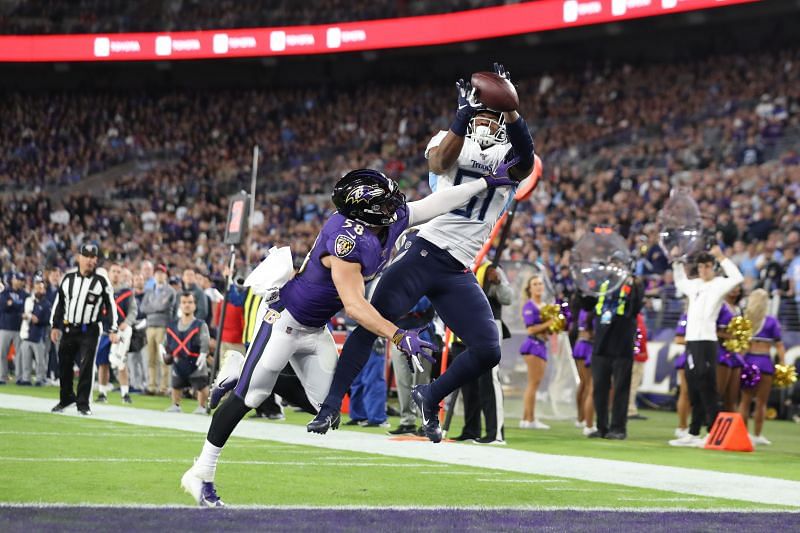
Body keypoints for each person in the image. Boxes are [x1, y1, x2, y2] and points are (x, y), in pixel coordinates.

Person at [181, 167, 518, 506]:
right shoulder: (345, 241)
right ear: (364, 211)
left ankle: (242, 370)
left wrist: (484, 183)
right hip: (285, 319)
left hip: (316, 328)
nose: (394, 206)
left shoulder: (389, 218)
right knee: (250, 396)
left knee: (326, 409)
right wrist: (399, 335)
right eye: (384, 203)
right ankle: (201, 473)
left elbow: (437, 202)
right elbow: (355, 307)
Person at [308, 62, 535, 442]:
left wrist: (511, 108)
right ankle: (330, 407)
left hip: (458, 267)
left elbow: (526, 161)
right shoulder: (449, 138)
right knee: (371, 321)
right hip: (425, 250)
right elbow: (439, 162)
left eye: (491, 115)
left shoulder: (508, 156)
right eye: (480, 113)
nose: (485, 121)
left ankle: (429, 395)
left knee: (487, 349)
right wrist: (461, 118)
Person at [669, 246, 743, 447]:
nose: (703, 270)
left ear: (713, 267)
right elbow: (679, 281)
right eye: (701, 267)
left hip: (708, 341)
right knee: (693, 386)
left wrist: (722, 258)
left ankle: (713, 431)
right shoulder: (694, 285)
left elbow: (737, 278)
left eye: (707, 266)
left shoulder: (719, 284)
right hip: (691, 341)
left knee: (708, 386)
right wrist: (676, 262)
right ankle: (693, 432)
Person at [50, 244, 119, 415]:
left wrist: (113, 328)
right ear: (79, 257)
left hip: (90, 329)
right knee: (64, 365)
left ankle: (83, 404)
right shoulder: (67, 279)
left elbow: (111, 305)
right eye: (86, 256)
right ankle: (66, 399)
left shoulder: (101, 281)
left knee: (86, 366)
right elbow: (59, 303)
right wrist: (55, 325)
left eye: (93, 257)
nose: (90, 260)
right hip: (68, 328)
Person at [457, 261, 512, 444]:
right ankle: (471, 429)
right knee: (470, 381)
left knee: (489, 378)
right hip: (467, 325)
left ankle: (495, 432)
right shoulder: (462, 261)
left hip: (489, 324)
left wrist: (497, 282)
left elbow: (508, 297)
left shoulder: (491, 267)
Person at [588, 276, 644, 440]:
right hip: (601, 345)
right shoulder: (602, 284)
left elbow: (636, 308)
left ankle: (619, 428)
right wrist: (583, 287)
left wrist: (635, 287)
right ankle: (602, 427)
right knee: (599, 389)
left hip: (622, 346)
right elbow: (587, 305)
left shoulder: (631, 285)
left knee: (620, 389)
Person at [739, 288, 785, 445]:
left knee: (744, 401)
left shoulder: (746, 320)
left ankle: (743, 434)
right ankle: (757, 435)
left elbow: (742, 346)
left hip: (748, 361)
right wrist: (783, 364)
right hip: (764, 362)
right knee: (761, 402)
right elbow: (779, 345)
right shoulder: (771, 321)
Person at [387, 295, 435, 436]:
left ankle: (427, 422)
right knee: (403, 382)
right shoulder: (400, 283)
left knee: (421, 384)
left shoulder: (427, 280)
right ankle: (407, 422)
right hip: (398, 334)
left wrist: (400, 307)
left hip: (421, 335)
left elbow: (421, 305)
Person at [95, 263, 137, 403]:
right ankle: (102, 392)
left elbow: (133, 311)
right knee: (103, 363)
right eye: (114, 271)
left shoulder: (127, 292)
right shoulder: (102, 290)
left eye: (119, 272)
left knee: (121, 362)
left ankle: (125, 393)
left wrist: (127, 322)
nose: (116, 274)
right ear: (109, 272)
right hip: (105, 332)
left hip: (121, 331)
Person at [164, 292, 211, 414]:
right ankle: (175, 404)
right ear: (180, 305)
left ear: (195, 305)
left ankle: (202, 406)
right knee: (176, 383)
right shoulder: (172, 325)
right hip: (179, 360)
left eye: (190, 302)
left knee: (201, 384)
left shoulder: (200, 324)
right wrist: (164, 352)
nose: (187, 305)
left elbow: (205, 340)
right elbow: (166, 342)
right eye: (184, 302)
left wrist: (203, 354)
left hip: (195, 360)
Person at [519, 273, 553, 430]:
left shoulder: (545, 306)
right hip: (533, 345)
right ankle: (530, 419)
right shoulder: (529, 306)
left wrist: (553, 326)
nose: (539, 286)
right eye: (535, 284)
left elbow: (546, 329)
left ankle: (526, 419)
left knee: (535, 383)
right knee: (533, 384)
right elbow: (531, 329)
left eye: (540, 283)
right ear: (530, 288)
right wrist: (550, 323)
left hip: (542, 344)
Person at [140, 264, 176, 395]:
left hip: (163, 326)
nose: (159, 276)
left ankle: (164, 387)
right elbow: (143, 308)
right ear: (154, 276)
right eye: (157, 273)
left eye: (162, 273)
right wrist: (157, 306)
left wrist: (154, 307)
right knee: (151, 358)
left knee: (163, 358)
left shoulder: (170, 291)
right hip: (150, 327)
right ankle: (152, 386)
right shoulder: (150, 291)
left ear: (165, 275)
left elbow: (165, 306)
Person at [18, 273, 51, 386]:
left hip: (38, 335)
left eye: (41, 288)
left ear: (44, 290)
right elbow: (21, 313)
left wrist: (38, 320)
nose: (38, 290)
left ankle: (40, 379)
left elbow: (47, 321)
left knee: (40, 361)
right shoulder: (28, 300)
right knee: (26, 360)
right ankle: (26, 379)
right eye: (37, 288)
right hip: (26, 333)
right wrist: (24, 316)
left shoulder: (46, 304)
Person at [716, 285, 743, 412]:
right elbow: (711, 329)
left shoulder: (738, 309)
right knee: (717, 393)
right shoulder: (719, 305)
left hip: (734, 354)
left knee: (732, 397)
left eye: (737, 287)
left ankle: (729, 428)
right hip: (720, 351)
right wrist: (729, 336)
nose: (734, 289)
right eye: (732, 286)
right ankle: (710, 425)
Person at [572, 302, 596, 436]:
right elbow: (589, 333)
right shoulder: (591, 309)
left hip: (580, 345)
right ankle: (587, 421)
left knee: (583, 384)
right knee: (589, 386)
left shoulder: (581, 308)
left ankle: (580, 418)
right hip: (587, 346)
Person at [0, 272, 28, 384]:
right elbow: (2, 306)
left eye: (21, 280)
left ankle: (19, 377)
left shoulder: (25, 295)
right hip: (4, 327)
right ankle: (2, 377)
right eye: (17, 279)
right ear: (12, 280)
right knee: (2, 353)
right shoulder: (5, 292)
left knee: (19, 355)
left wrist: (12, 304)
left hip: (18, 328)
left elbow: (23, 309)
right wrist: (13, 306)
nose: (19, 282)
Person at [627, 313, 649, 420]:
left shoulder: (637, 316)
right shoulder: (636, 317)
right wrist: (637, 352)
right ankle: (630, 410)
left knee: (632, 384)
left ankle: (630, 408)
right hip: (636, 358)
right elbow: (639, 335)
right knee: (632, 385)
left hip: (636, 356)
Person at [672, 313, 690, 439]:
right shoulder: (687, 316)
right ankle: (682, 426)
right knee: (686, 392)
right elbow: (678, 339)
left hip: (716, 357)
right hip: (690, 356)